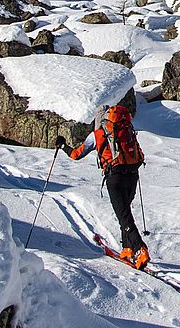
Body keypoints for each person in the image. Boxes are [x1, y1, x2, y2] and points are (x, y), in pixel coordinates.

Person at [57, 103, 148, 269]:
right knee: (125, 210)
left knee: (123, 215)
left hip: (115, 176)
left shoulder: (97, 134)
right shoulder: (125, 128)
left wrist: (63, 146)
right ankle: (127, 248)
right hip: (132, 174)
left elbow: (77, 155)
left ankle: (139, 249)